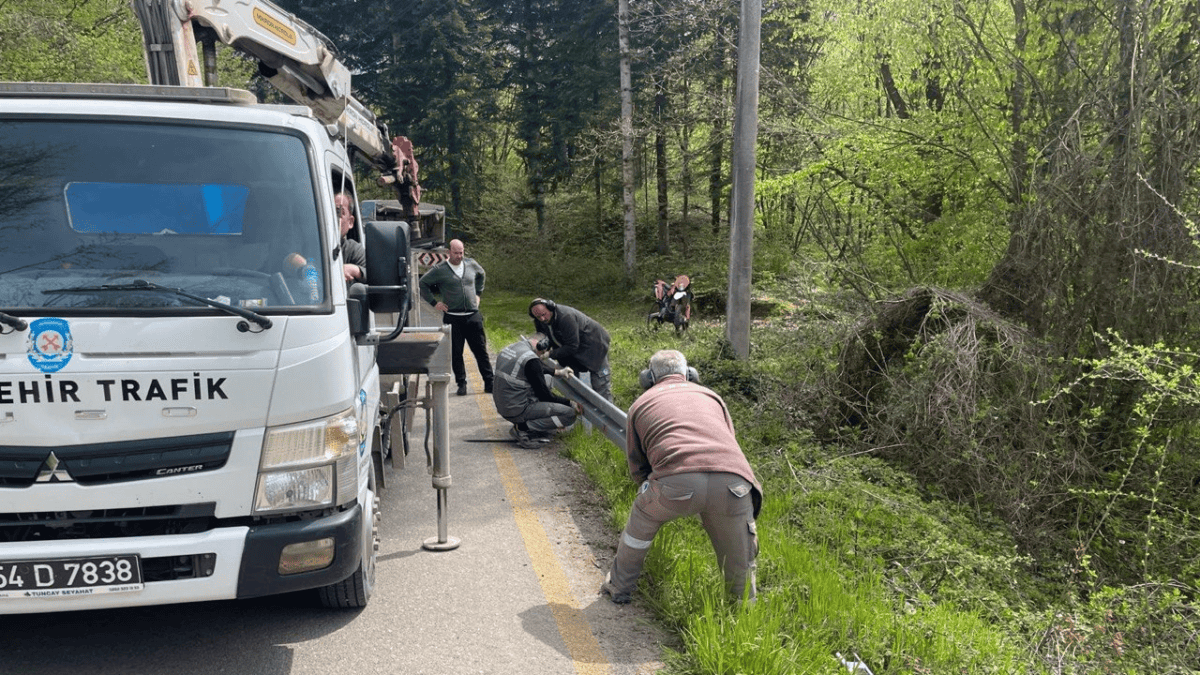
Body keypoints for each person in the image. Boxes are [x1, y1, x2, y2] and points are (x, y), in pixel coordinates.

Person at [600, 349, 763, 605]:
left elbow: (637, 462)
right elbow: (729, 440)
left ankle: (619, 586)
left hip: (674, 484)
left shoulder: (641, 403)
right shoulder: (712, 397)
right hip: (733, 483)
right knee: (739, 554)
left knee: (639, 527)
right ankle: (743, 608)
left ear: (648, 378)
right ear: (689, 374)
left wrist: (649, 486)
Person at [419, 239, 494, 396]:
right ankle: (461, 384)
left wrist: (478, 294)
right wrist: (434, 303)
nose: (459, 256)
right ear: (449, 252)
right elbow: (423, 283)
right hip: (453, 318)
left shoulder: (471, 264)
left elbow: (481, 274)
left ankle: (489, 382)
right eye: (456, 253)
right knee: (456, 353)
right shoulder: (440, 269)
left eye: (461, 252)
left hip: (473, 316)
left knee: (481, 351)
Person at [492, 333, 579, 448]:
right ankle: (522, 428)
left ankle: (532, 423)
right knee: (569, 414)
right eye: (542, 353)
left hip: (504, 404)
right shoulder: (531, 360)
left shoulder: (515, 348)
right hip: (517, 410)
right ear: (540, 345)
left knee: (548, 378)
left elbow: (537, 368)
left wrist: (557, 372)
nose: (541, 356)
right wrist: (570, 403)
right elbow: (546, 396)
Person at [528, 298, 612, 402]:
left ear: (550, 308)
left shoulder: (566, 317)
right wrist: (541, 348)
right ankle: (583, 408)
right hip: (573, 351)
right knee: (576, 381)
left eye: (544, 314)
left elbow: (572, 346)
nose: (542, 318)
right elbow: (545, 337)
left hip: (594, 347)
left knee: (600, 384)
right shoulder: (540, 321)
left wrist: (550, 354)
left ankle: (606, 410)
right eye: (538, 317)